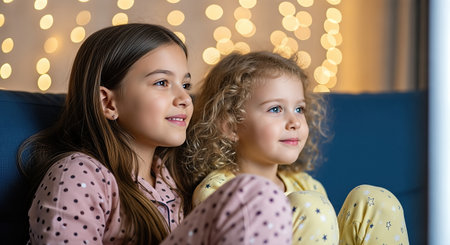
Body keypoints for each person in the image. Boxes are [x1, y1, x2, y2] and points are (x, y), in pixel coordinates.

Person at [18, 24, 293, 245]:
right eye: (162, 82)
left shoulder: (175, 176)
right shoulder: (80, 175)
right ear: (108, 103)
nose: (184, 98)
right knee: (255, 193)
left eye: (185, 84)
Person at [182, 51, 410, 244]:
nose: (295, 122)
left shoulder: (306, 184)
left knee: (374, 199)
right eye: (275, 109)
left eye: (299, 109)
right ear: (231, 126)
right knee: (310, 206)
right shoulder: (218, 190)